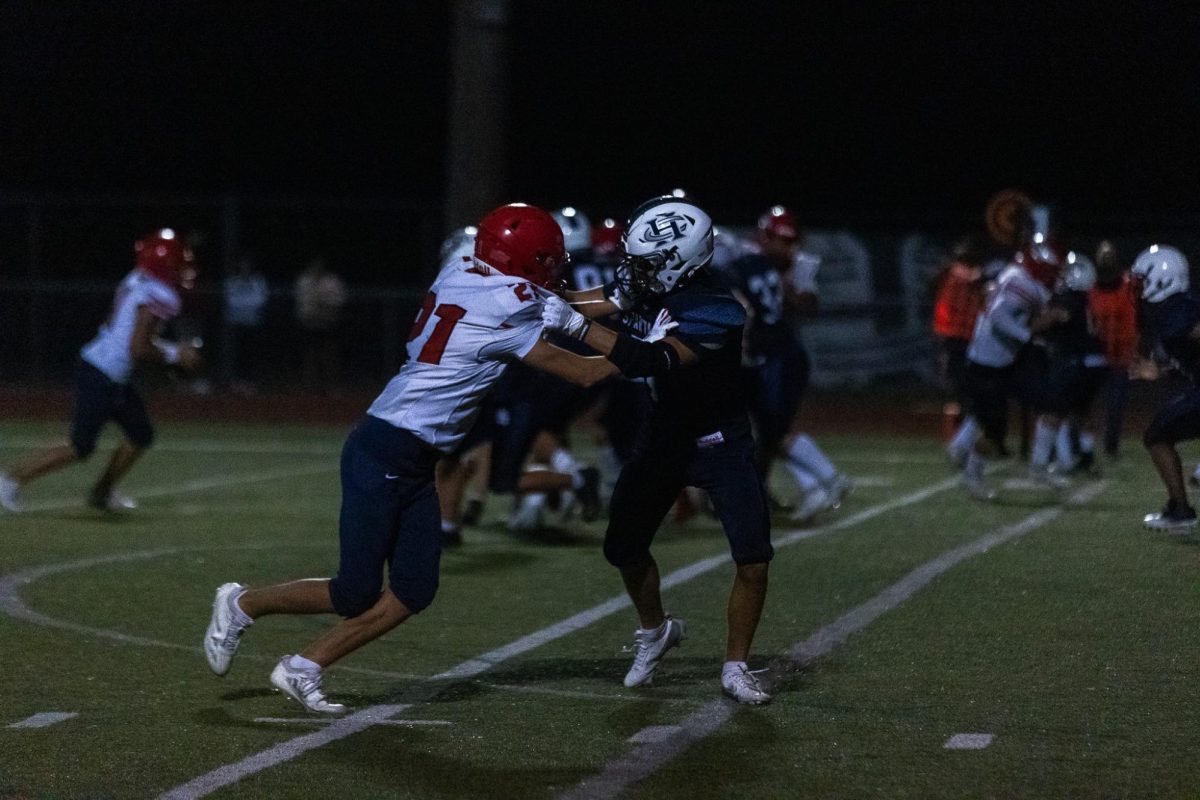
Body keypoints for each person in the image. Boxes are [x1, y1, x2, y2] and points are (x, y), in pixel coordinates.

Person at [202, 204, 618, 713]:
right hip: (385, 448)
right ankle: (242, 603)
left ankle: (303, 666)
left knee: (414, 589)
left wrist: (623, 300)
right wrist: (663, 349)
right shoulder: (507, 310)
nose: (554, 268)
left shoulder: (463, 270)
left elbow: (559, 303)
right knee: (354, 590)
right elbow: (587, 371)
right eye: (545, 259)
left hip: (414, 456)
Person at [541, 195, 774, 705]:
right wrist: (536, 303)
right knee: (621, 547)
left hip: (718, 442)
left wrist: (574, 325)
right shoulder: (649, 280)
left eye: (646, 262)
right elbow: (597, 301)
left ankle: (736, 665)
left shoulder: (717, 311)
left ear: (680, 262)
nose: (634, 272)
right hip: (664, 436)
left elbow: (650, 360)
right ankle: (656, 630)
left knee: (752, 558)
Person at [0, 229, 202, 512]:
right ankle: (9, 480)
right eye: (177, 262)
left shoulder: (136, 280)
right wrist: (174, 353)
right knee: (80, 446)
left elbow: (124, 332)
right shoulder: (160, 294)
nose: (182, 269)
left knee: (140, 434)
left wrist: (168, 351)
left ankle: (101, 493)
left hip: (109, 370)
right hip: (102, 373)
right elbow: (137, 348)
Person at [722, 205, 851, 523]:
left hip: (773, 356)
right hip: (775, 354)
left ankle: (830, 479)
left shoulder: (739, 267)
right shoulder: (756, 261)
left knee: (774, 433)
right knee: (767, 432)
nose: (789, 247)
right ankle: (810, 488)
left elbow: (747, 312)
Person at [955, 238, 1067, 500]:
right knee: (995, 433)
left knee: (1054, 404)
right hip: (986, 367)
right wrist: (1027, 334)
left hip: (1009, 363)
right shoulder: (1022, 283)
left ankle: (1039, 467)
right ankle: (972, 472)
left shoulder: (1022, 278)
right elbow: (997, 315)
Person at [1129, 245, 1200, 531]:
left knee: (1157, 437)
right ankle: (1179, 511)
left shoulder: (1178, 310)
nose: (1139, 288)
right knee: (1158, 434)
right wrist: (1161, 369)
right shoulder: (1178, 307)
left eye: (1143, 280)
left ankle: (1181, 511)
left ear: (1162, 278)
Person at [1027, 252, 1108, 482]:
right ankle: (1086, 456)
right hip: (1095, 363)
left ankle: (1039, 464)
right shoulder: (1087, 300)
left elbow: (1049, 320)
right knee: (1083, 412)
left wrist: (1026, 328)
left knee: (1052, 410)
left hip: (1075, 363)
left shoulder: (1067, 301)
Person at [931, 237, 986, 442]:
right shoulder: (954, 273)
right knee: (957, 392)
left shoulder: (964, 275)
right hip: (953, 339)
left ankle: (962, 439)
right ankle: (956, 440)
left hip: (966, 339)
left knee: (965, 393)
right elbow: (966, 277)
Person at [1089, 240, 1138, 457]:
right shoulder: (1090, 289)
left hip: (1121, 354)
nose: (1106, 258)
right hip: (1095, 353)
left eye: (1109, 254)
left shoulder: (1128, 286)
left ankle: (1111, 445)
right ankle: (1080, 445)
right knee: (1083, 402)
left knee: (1116, 404)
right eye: (1103, 254)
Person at [294, 257, 348, 391]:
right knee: (310, 355)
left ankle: (331, 385)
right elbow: (300, 302)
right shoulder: (304, 280)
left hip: (328, 323)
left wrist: (326, 310)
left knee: (329, 354)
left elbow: (339, 300)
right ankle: (310, 386)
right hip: (309, 323)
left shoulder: (332, 281)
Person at [223, 254, 269, 394]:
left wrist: (245, 305)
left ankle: (250, 383)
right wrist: (246, 305)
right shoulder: (232, 282)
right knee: (236, 354)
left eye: (247, 266)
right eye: (242, 265)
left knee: (251, 354)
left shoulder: (258, 281)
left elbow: (260, 300)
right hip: (236, 324)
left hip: (253, 323)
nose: (245, 268)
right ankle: (236, 383)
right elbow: (231, 302)